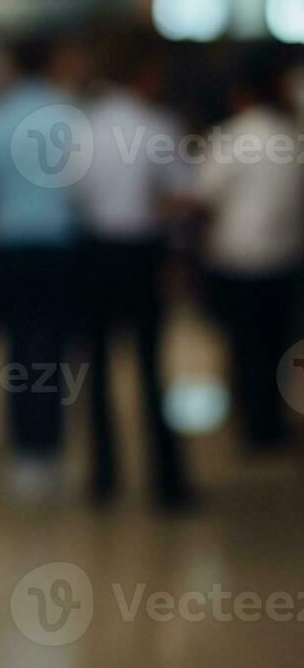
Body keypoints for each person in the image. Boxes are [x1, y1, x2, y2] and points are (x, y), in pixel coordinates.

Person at [0, 37, 83, 499]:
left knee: (17, 348)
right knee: (53, 346)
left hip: (7, 247)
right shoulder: (70, 115)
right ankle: (50, 449)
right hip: (60, 244)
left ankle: (25, 455)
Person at [76, 36, 192, 506]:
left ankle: (102, 478)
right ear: (143, 73)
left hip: (95, 251)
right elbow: (180, 196)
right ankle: (166, 482)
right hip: (141, 253)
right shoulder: (158, 125)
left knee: (98, 368)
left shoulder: (83, 127)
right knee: (150, 367)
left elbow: (72, 192)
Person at [195, 49, 303, 450]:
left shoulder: (232, 137)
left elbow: (203, 196)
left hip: (237, 258)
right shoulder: (291, 135)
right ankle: (271, 420)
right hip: (285, 256)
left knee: (245, 346)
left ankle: (253, 422)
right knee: (277, 344)